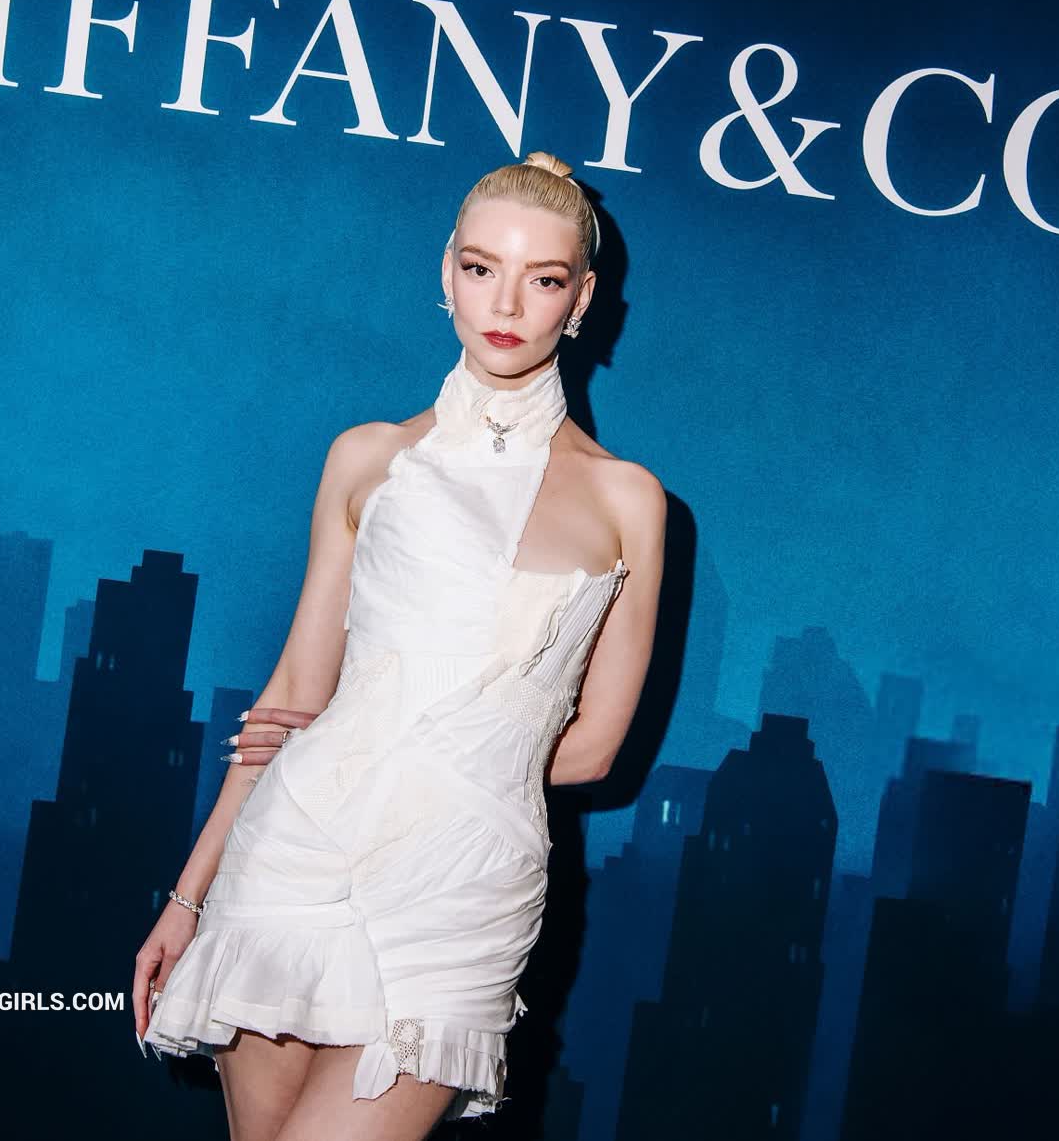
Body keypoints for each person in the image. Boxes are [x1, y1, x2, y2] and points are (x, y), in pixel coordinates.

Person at [134, 151, 666, 1141]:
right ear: (445, 273)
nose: (505, 303)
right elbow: (295, 691)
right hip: (294, 855)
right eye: (480, 267)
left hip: (462, 886)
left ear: (583, 299)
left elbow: (594, 748)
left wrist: (419, 753)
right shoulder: (367, 456)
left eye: (544, 279)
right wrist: (187, 900)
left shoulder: (627, 498)